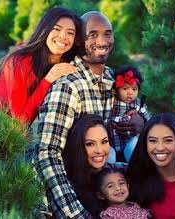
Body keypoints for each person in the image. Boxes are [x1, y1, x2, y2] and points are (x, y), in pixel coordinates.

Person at [33, 11, 115, 218]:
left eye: (108, 33)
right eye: (93, 34)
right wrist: (76, 215)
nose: (102, 41)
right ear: (79, 41)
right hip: (69, 200)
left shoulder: (110, 78)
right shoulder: (69, 86)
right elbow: (46, 154)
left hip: (99, 192)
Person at [0, 7, 81, 123]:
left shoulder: (67, 62)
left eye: (70, 32)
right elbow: (20, 121)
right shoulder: (20, 62)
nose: (63, 36)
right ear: (45, 29)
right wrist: (48, 79)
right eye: (56, 29)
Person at [63, 114, 110, 218]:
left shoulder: (118, 172)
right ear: (77, 146)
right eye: (90, 144)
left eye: (104, 142)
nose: (99, 150)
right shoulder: (67, 185)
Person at [108, 65, 151, 162]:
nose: (130, 93)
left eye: (134, 89)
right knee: (109, 156)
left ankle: (133, 167)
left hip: (129, 141)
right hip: (112, 142)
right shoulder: (111, 102)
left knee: (134, 148)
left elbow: (149, 119)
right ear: (116, 91)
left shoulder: (138, 104)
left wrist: (141, 111)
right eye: (125, 88)